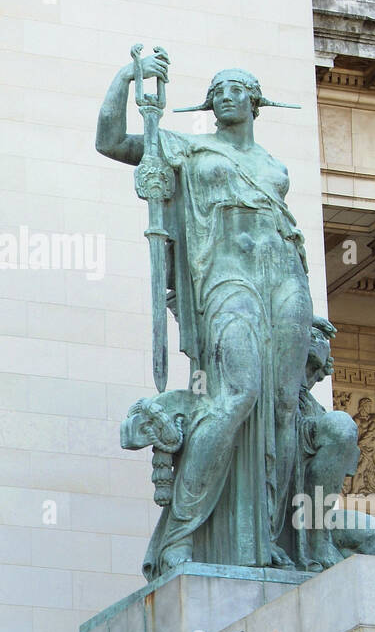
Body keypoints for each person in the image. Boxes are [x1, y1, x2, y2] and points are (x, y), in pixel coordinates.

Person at [97, 57, 313, 576]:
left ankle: (264, 536)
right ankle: (181, 534)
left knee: (285, 406)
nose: (226, 96)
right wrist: (128, 78)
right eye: (217, 89)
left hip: (286, 277)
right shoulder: (189, 147)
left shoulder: (274, 166)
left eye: (238, 88)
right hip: (225, 277)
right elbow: (110, 140)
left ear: (256, 101)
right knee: (238, 394)